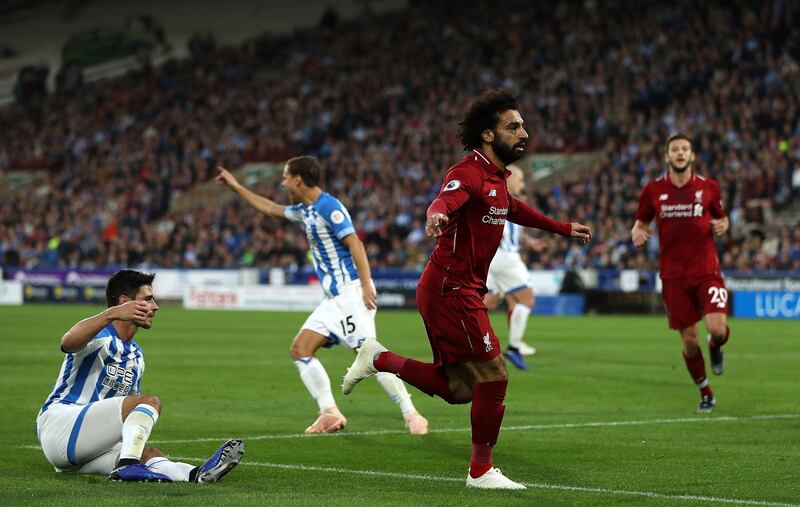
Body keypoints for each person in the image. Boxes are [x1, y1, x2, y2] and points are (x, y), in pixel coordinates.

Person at [342, 89, 591, 489]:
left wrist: (562, 228)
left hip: (458, 290)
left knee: (460, 389)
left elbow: (514, 209)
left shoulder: (496, 178)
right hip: (449, 289)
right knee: (495, 374)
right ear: (488, 134)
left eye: (523, 125)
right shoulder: (468, 171)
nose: (523, 132)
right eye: (514, 126)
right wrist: (437, 214)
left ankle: (380, 358)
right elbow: (446, 198)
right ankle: (480, 472)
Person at [216, 156, 428, 435]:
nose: (282, 182)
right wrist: (236, 187)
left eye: (285, 177)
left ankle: (412, 414)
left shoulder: (330, 207)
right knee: (300, 349)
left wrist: (365, 286)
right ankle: (329, 412)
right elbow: (269, 208)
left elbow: (356, 245)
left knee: (369, 356)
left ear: (298, 180)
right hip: (333, 300)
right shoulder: (305, 210)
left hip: (351, 293)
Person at [36, 269, 244, 483]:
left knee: (149, 454)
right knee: (150, 402)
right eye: (148, 300)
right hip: (60, 425)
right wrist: (112, 313)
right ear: (124, 302)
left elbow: (128, 415)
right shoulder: (100, 334)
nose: (155, 307)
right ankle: (128, 467)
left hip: (86, 449)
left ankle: (195, 474)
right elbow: (68, 342)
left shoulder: (137, 355)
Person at [631, 133, 731, 413]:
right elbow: (641, 222)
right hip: (673, 276)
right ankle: (706, 391)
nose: (680, 153)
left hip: (706, 271)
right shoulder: (652, 190)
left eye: (685, 149)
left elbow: (721, 216)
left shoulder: (709, 187)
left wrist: (724, 223)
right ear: (667, 156)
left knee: (717, 329)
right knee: (688, 340)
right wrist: (638, 231)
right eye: (674, 149)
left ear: (692, 155)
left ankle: (716, 345)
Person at [484, 164, 542, 371]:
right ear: (508, 179)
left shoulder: (497, 196)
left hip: (492, 258)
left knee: (487, 304)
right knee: (527, 299)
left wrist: (530, 241)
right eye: (521, 179)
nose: (522, 183)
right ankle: (514, 347)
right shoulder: (502, 195)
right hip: (505, 257)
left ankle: (465, 342)